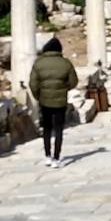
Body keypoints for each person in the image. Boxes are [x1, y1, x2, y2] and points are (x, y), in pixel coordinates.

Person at [29, 37, 78, 168]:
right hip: (60, 101)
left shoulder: (38, 63)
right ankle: (56, 157)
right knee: (58, 129)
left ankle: (47, 156)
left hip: (44, 101)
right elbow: (73, 82)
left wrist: (38, 97)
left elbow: (33, 84)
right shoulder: (66, 63)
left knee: (47, 128)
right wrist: (64, 89)